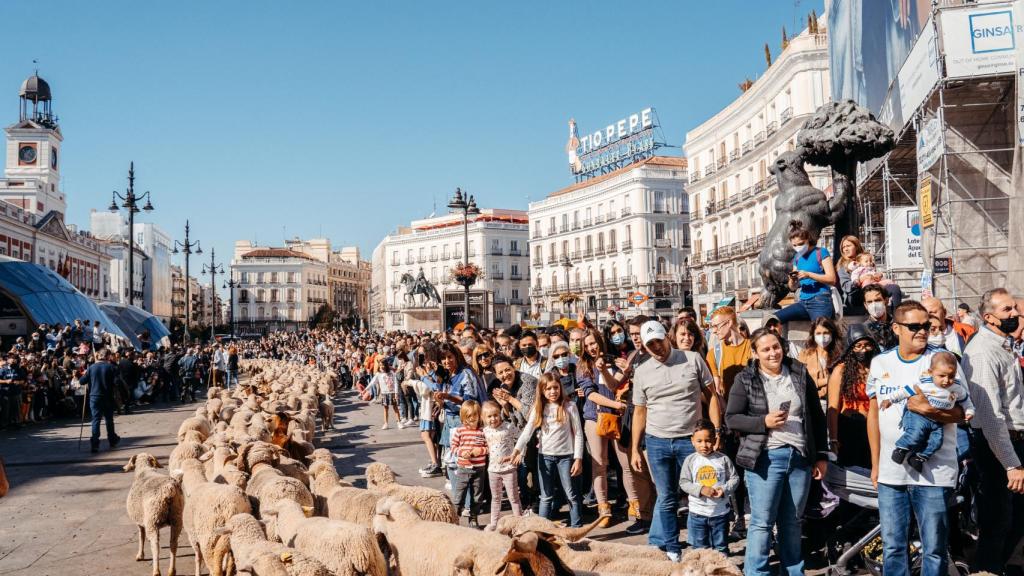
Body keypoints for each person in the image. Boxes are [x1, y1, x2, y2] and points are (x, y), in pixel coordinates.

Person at [867, 301, 965, 576]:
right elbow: (873, 417)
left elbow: (963, 413)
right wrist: (876, 464)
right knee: (893, 547)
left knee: (933, 548)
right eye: (914, 326)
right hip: (891, 473)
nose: (922, 331)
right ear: (896, 328)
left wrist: (928, 410)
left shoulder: (944, 361)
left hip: (933, 473)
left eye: (926, 325)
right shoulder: (880, 362)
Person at [725, 328, 828, 576]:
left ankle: (793, 571)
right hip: (765, 458)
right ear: (755, 353)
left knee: (792, 521)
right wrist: (764, 422)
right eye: (766, 349)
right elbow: (732, 418)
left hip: (799, 457)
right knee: (762, 522)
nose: (773, 353)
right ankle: (756, 572)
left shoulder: (799, 372)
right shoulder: (745, 378)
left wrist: (821, 456)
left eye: (776, 347)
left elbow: (816, 415)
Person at [630, 320, 720, 562]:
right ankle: (671, 548)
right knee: (667, 496)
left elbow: (712, 396)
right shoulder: (642, 371)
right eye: (650, 344)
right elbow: (639, 411)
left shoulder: (692, 359)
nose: (656, 347)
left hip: (690, 441)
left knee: (699, 494)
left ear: (667, 337)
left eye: (659, 340)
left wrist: (716, 430)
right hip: (657, 441)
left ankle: (702, 544)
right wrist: (635, 449)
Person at [962, 288, 1024, 573]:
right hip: (997, 445)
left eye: (1015, 308)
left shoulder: (1003, 344)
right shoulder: (983, 351)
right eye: (1007, 310)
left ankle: (998, 565)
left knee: (1014, 516)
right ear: (989, 317)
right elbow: (990, 415)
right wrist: (1011, 463)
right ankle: (987, 569)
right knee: (999, 517)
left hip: (1013, 440)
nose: (1015, 314)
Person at [578, 328, 642, 530]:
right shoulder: (583, 366)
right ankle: (604, 509)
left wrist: (627, 372)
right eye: (587, 345)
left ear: (600, 341)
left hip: (618, 418)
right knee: (600, 464)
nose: (591, 348)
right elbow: (590, 395)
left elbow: (617, 385)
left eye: (593, 343)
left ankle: (635, 504)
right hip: (595, 418)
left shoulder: (612, 360)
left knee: (626, 462)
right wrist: (616, 405)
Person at [880, 351, 974, 472]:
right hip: (919, 416)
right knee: (916, 434)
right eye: (942, 376)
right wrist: (891, 399)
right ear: (931, 372)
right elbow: (906, 390)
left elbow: (966, 400)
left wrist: (969, 411)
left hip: (938, 421)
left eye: (951, 376)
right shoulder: (925, 383)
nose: (947, 380)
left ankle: (919, 457)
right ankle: (901, 448)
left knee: (937, 442)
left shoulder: (956, 387)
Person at [511, 372, 585, 527]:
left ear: (560, 388)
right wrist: (517, 449)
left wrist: (578, 459)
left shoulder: (570, 406)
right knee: (546, 496)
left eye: (555, 387)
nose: (553, 391)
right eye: (548, 388)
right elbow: (528, 430)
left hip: (566, 457)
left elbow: (578, 434)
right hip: (545, 457)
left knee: (571, 494)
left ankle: (576, 528)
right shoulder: (539, 408)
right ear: (542, 391)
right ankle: (542, 530)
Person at [679, 420, 738, 555]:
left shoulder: (723, 459)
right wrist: (700, 490)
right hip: (697, 513)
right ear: (692, 441)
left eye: (708, 440)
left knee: (721, 548)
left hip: (720, 513)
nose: (704, 445)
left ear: (715, 440)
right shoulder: (690, 460)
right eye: (699, 441)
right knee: (700, 549)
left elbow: (735, 479)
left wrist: (724, 489)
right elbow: (684, 482)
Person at [826, 325, 878, 468]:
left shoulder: (878, 368)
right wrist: (833, 439)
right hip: (849, 428)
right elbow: (833, 408)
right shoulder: (841, 370)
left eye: (867, 345)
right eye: (858, 346)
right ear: (850, 349)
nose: (863, 350)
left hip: (873, 428)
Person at [774, 221, 837, 323]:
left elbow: (832, 279)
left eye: (801, 244)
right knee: (773, 319)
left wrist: (809, 275)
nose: (798, 247)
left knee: (820, 331)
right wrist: (792, 280)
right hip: (802, 301)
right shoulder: (797, 258)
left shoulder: (821, 252)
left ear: (808, 239)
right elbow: (793, 288)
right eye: (794, 245)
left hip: (820, 300)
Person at [481, 400, 522, 531]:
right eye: (489, 416)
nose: (493, 419)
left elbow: (522, 439)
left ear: (500, 414)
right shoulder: (485, 431)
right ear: (484, 418)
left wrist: (519, 454)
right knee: (496, 498)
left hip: (509, 469)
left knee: (513, 497)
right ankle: (494, 523)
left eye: (496, 415)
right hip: (493, 470)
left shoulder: (508, 427)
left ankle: (519, 522)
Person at [449, 400, 487, 527]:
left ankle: (474, 518)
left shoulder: (483, 431)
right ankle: (455, 517)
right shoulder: (460, 431)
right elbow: (453, 446)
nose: (471, 420)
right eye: (468, 417)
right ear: (463, 417)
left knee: (477, 496)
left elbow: (489, 447)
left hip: (479, 468)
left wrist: (480, 450)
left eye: (474, 416)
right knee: (459, 495)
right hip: (463, 468)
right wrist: (461, 452)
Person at [81, 349, 121, 453]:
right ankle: (112, 440)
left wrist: (86, 374)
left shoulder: (91, 368)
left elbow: (82, 381)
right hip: (107, 397)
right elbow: (117, 382)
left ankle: (95, 444)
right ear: (107, 357)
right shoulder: (111, 367)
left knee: (96, 420)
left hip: (94, 397)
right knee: (109, 420)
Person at [798, 317, 843, 406]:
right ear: (813, 335)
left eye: (826, 333)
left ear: (832, 334)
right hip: (812, 402)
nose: (822, 337)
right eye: (818, 333)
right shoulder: (805, 354)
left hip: (836, 402)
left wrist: (818, 383)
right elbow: (801, 381)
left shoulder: (841, 355)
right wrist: (828, 380)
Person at [369, 357, 404, 430]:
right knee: (385, 409)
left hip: (392, 392)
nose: (381, 366)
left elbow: (395, 383)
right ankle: (386, 423)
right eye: (380, 365)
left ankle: (399, 422)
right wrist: (366, 389)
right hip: (384, 393)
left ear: (386, 365)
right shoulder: (378, 374)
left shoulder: (391, 373)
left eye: (382, 365)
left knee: (395, 408)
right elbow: (372, 382)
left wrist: (396, 392)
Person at [863, 284, 898, 351]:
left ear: (886, 301)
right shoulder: (863, 330)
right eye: (869, 302)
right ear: (865, 305)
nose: (874, 305)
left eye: (877, 300)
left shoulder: (898, 325)